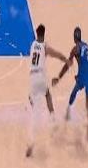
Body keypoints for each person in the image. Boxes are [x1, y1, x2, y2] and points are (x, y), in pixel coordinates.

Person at [26, 24, 67, 157]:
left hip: (32, 78)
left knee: (33, 103)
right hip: (41, 77)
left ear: (36, 34)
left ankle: (31, 141)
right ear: (44, 35)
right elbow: (56, 54)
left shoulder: (32, 45)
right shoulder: (45, 46)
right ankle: (53, 118)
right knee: (47, 94)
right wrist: (65, 59)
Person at [52, 27, 88, 147]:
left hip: (84, 76)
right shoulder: (86, 46)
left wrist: (58, 77)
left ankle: (68, 111)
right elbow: (86, 62)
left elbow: (68, 65)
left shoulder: (75, 49)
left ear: (74, 38)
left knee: (74, 91)